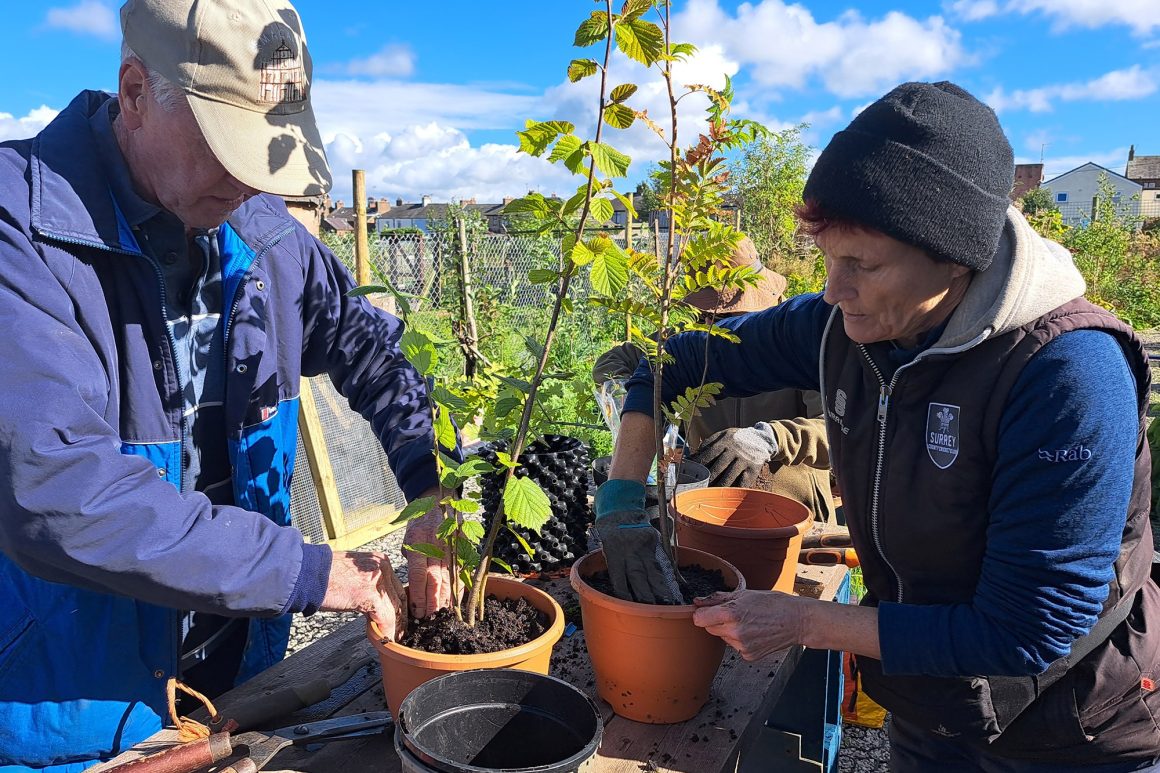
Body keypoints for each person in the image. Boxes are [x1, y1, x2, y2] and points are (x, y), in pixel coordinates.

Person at [595, 81, 1159, 769]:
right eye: (828, 258)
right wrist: (622, 498)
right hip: (930, 710)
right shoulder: (843, 329)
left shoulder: (1066, 373)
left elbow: (1027, 630)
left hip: (1071, 730)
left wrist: (804, 619)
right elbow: (670, 361)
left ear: (955, 256)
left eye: (861, 263)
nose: (832, 288)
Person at [0, 1, 454, 768]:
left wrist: (433, 488)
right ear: (136, 92)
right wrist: (315, 571)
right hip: (72, 715)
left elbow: (376, 358)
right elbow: (56, 488)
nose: (251, 178)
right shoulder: (23, 230)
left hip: (240, 687)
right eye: (227, 143)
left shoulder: (268, 237)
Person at [592, 236, 836, 524]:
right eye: (709, 317)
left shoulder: (796, 339)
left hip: (792, 501)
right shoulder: (691, 341)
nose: (722, 327)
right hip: (704, 494)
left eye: (734, 314)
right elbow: (616, 361)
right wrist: (625, 398)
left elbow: (837, 432)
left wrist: (770, 438)